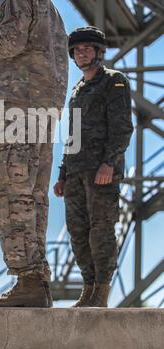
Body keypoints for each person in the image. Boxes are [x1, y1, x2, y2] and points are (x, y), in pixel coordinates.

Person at [0, 0, 68, 307]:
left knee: (9, 193)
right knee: (32, 196)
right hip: (43, 113)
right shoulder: (52, 9)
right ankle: (35, 279)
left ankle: (29, 280)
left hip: (17, 109)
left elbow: (7, 44)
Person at [54, 26, 133, 307]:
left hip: (101, 171)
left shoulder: (114, 81)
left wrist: (109, 163)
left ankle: (101, 290)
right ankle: (88, 287)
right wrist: (63, 173)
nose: (81, 53)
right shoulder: (77, 90)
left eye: (87, 48)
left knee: (101, 230)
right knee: (78, 233)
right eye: (77, 50)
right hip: (75, 172)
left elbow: (123, 128)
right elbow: (71, 136)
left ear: (99, 52)